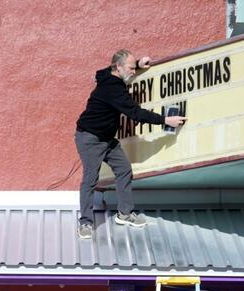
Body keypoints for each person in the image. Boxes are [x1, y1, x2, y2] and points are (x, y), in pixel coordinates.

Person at [75, 49, 186, 238]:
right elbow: (136, 114)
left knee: (124, 169)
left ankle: (124, 213)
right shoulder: (113, 89)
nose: (133, 72)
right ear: (118, 67)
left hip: (107, 139)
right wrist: (165, 120)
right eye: (131, 68)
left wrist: (139, 66)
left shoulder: (107, 76)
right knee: (90, 179)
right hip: (90, 138)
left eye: (134, 68)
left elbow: (105, 72)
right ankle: (85, 223)